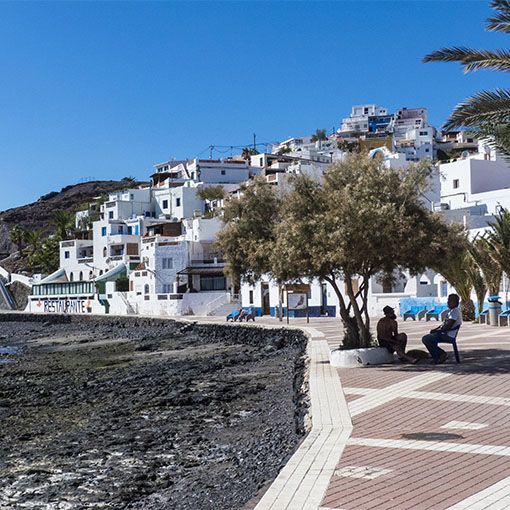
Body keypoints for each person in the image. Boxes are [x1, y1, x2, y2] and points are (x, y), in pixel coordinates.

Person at [422, 294, 462, 364]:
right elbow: (443, 324)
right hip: (443, 333)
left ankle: (439, 355)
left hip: (448, 335)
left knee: (426, 339)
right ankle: (439, 354)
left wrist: (438, 331)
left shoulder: (455, 312)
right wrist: (435, 329)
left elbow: (448, 325)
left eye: (450, 301)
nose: (448, 302)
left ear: (455, 302)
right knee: (429, 337)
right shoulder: (452, 311)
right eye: (448, 300)